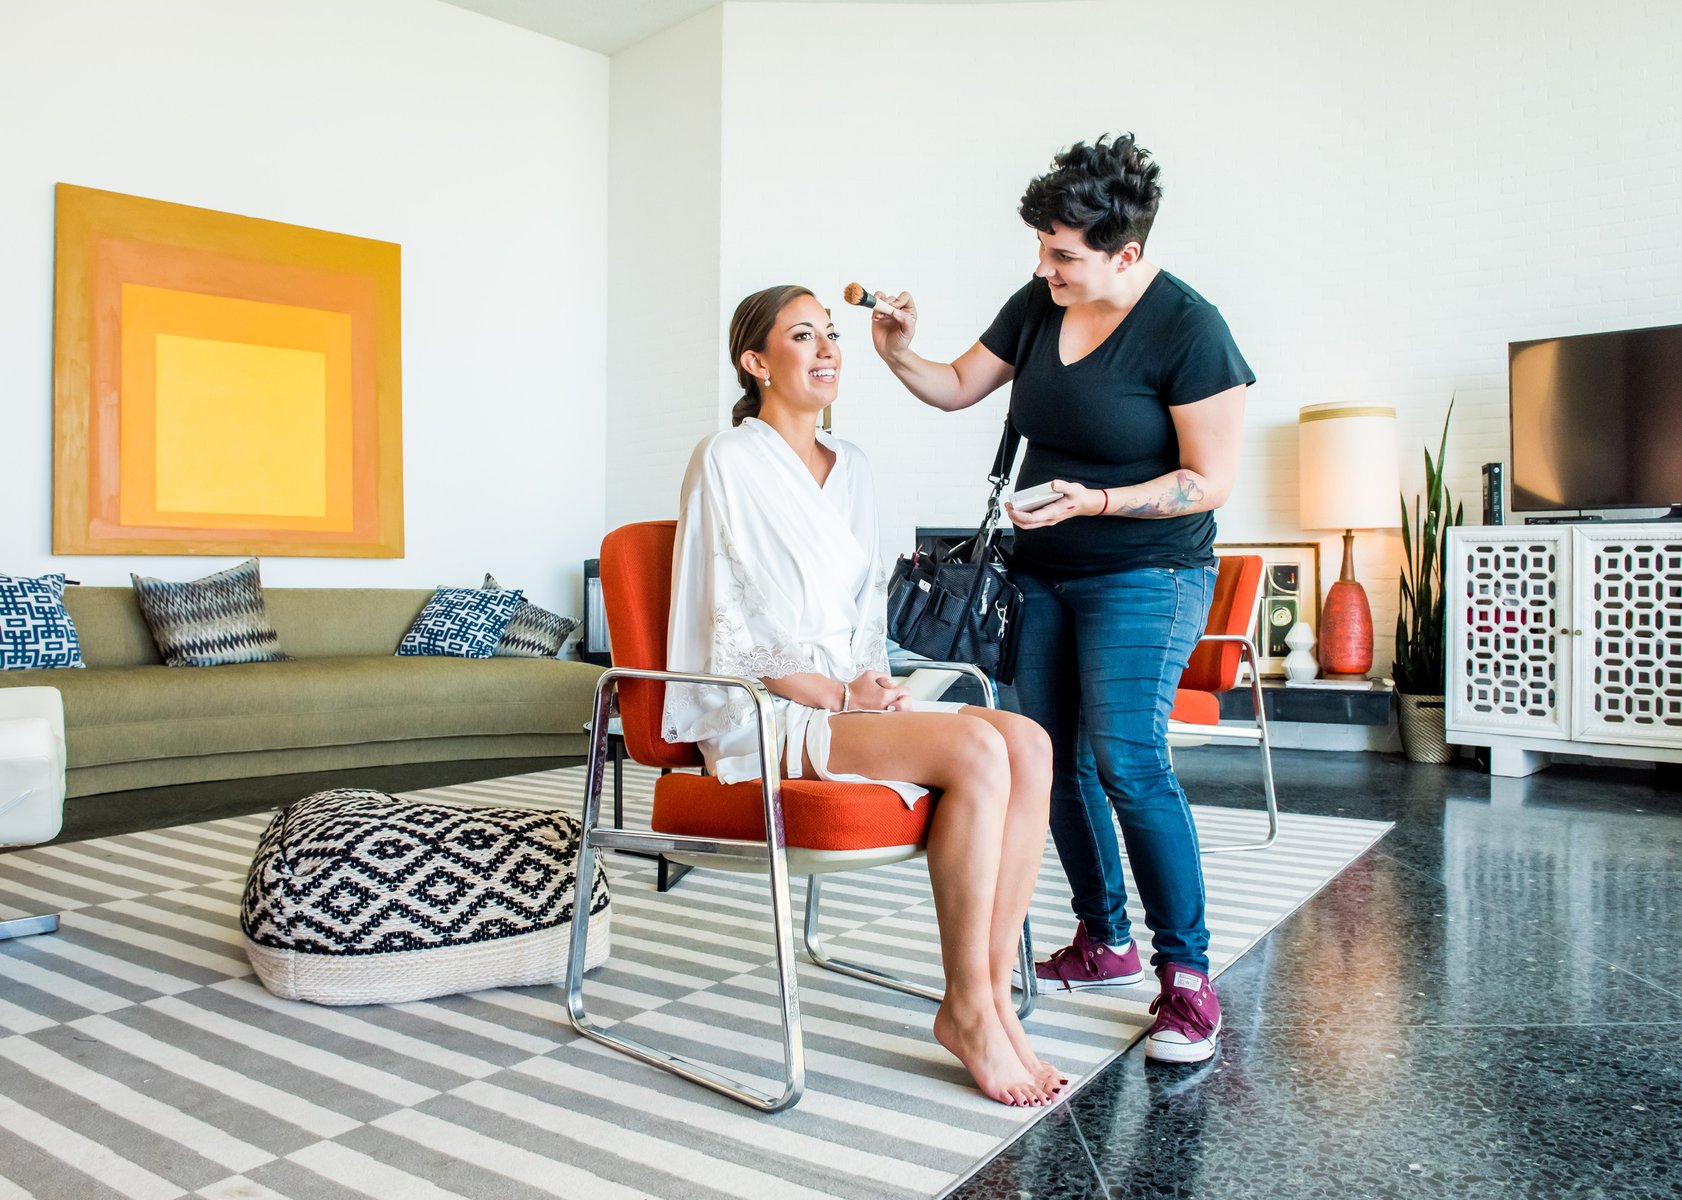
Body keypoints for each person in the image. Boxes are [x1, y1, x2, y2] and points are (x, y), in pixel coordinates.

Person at [865, 135, 1253, 1066]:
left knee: (1128, 761)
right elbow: (956, 387)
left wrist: (1097, 501)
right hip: (1038, 572)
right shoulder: (1043, 301)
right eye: (1042, 248)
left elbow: (1208, 481)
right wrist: (897, 353)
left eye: (1064, 255)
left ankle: (1187, 978)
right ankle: (1103, 938)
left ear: (1126, 253)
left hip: (1148, 573)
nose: (1045, 268)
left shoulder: (1191, 330)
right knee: (1047, 757)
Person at [664, 284, 1061, 1106]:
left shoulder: (855, 467)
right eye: (802, 336)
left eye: (832, 335)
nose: (827, 350)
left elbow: (867, 610)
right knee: (977, 748)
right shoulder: (726, 459)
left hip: (845, 693)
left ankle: (988, 999)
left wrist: (873, 682)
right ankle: (969, 1008)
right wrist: (836, 695)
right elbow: (730, 622)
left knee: (1029, 742)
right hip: (764, 705)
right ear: (755, 362)